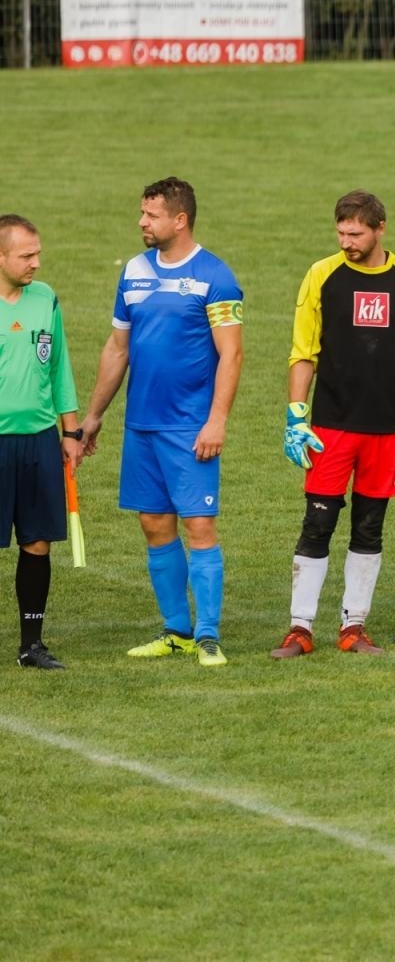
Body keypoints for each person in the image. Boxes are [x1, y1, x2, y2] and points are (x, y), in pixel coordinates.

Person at [80, 178, 244, 667]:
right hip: (142, 425)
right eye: (142, 213)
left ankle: (209, 634)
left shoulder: (216, 276)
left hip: (190, 426)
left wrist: (217, 421)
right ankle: (177, 630)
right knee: (154, 524)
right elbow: (117, 347)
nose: (141, 222)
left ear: (180, 219)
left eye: (150, 215)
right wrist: (93, 416)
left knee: (199, 525)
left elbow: (231, 355)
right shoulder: (133, 271)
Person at [272, 190, 395, 658]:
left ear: (381, 228)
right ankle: (300, 628)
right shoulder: (321, 276)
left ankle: (354, 627)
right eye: (341, 232)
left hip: (386, 431)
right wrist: (295, 417)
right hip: (330, 426)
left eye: (356, 233)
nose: (347, 241)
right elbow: (303, 351)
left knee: (369, 526)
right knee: (317, 523)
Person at [0, 215, 82, 669]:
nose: (35, 262)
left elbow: (59, 368)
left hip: (39, 441)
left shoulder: (45, 298)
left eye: (38, 254)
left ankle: (31, 644)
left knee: (37, 543)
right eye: (26, 255)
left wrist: (70, 432)